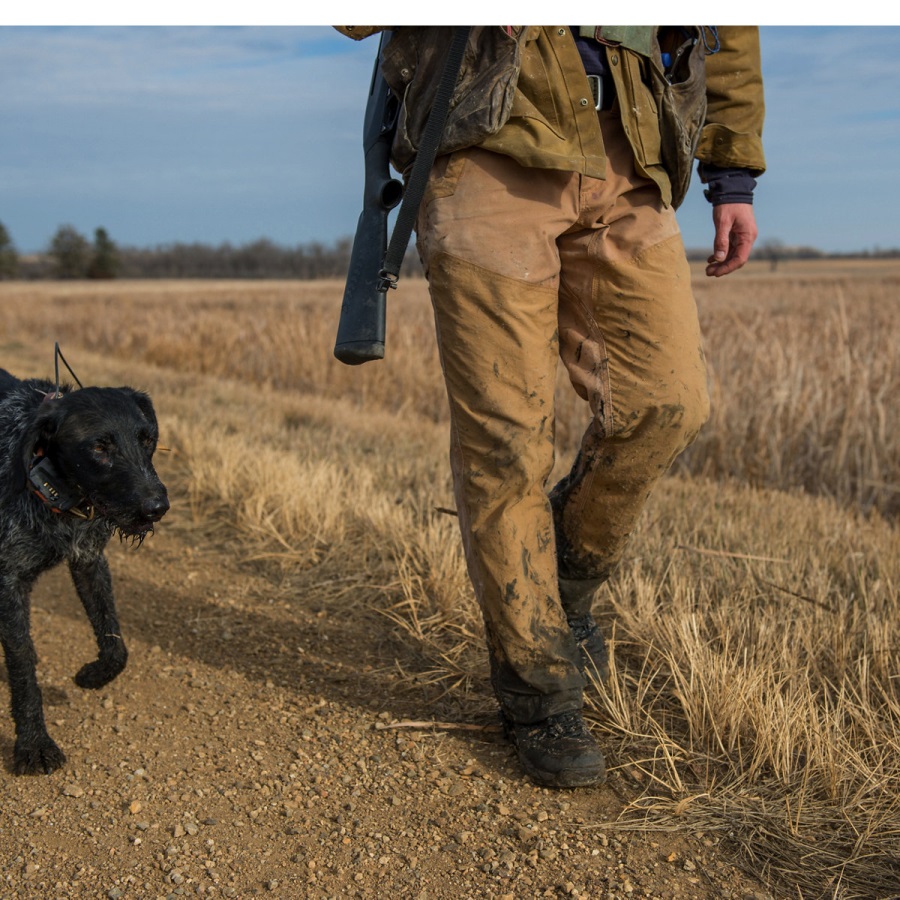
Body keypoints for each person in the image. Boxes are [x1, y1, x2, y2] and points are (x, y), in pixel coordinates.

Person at [336, 26, 765, 788]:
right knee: (506, 445)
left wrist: (731, 173)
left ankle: (562, 584)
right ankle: (537, 689)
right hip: (486, 150)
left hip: (631, 151)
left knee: (667, 405)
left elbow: (728, 23)